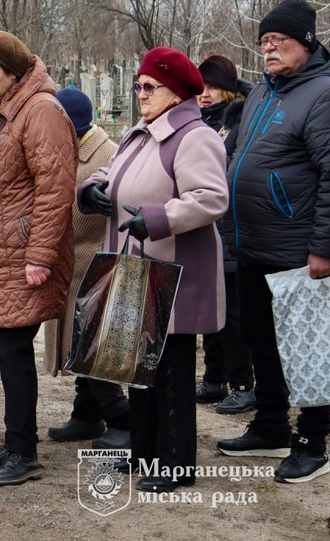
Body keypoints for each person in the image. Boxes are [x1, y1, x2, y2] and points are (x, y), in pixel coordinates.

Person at [80, 46, 229, 493]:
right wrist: (91, 190)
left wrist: (158, 217)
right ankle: (144, 449)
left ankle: (177, 462)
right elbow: (110, 170)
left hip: (174, 272)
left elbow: (210, 197)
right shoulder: (140, 132)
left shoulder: (193, 136)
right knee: (137, 365)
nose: (141, 93)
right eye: (139, 85)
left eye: (150, 86)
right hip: (135, 269)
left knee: (170, 372)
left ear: (176, 92)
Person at [218, 0, 330, 484]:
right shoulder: (263, 94)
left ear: (305, 44)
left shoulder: (324, 93)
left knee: (308, 347)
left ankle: (311, 442)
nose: (267, 50)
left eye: (277, 42)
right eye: (263, 42)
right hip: (253, 244)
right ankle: (270, 426)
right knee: (261, 341)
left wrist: (324, 248)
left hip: (298, 249)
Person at [0, 30, 77, 486]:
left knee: (11, 348)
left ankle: (23, 451)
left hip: (23, 253)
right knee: (2, 347)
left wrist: (41, 254)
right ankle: (15, 441)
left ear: (13, 72)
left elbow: (55, 189)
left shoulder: (41, 111)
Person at [43, 88, 130, 450]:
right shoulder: (68, 149)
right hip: (70, 261)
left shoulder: (107, 154)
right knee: (76, 344)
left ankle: (122, 417)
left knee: (89, 343)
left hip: (93, 262)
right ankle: (86, 414)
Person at [194, 55, 256, 415]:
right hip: (205, 232)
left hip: (231, 231)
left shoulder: (240, 121)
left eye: (214, 86)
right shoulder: (200, 122)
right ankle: (213, 377)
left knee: (233, 315)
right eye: (201, 86)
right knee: (209, 312)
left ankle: (244, 384)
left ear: (229, 90)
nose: (205, 93)